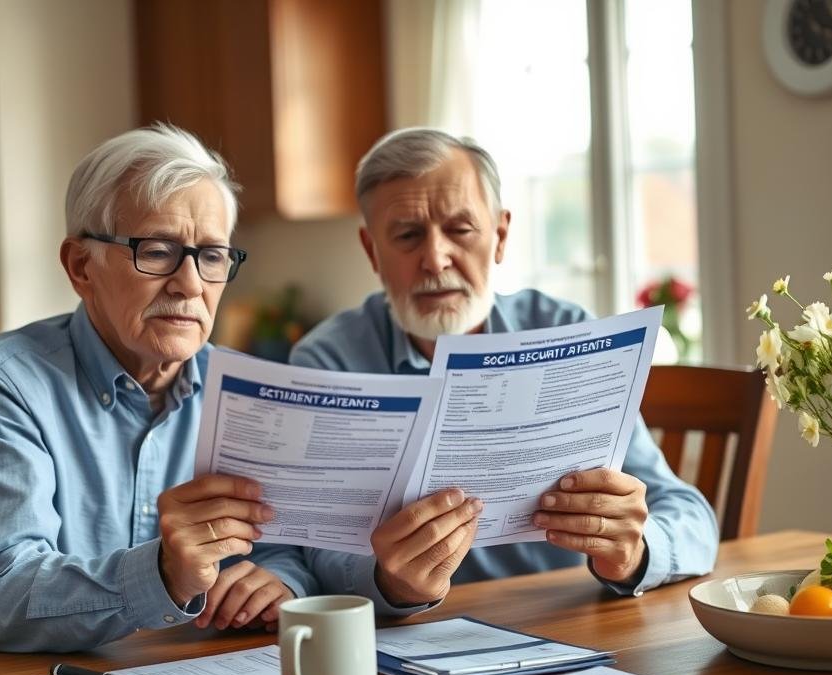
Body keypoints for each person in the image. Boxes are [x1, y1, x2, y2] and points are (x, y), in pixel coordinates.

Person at [0, 124, 314, 658]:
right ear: (81, 266)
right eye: (156, 252)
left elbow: (284, 548)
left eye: (213, 256)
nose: (191, 284)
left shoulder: (248, 391)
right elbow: (2, 595)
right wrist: (161, 574)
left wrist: (280, 583)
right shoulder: (4, 381)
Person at [289, 127, 717, 612]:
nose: (435, 258)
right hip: (412, 637)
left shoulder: (569, 333)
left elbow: (689, 517)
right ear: (371, 251)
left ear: (500, 236)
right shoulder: (328, 363)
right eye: (407, 235)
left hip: (574, 619)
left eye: (460, 229)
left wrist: (634, 552)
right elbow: (315, 548)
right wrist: (388, 582)